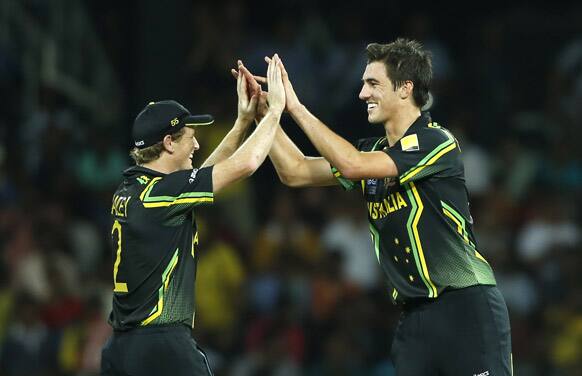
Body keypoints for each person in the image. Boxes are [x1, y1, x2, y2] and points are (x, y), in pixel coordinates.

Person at [238, 39, 512, 375]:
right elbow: (294, 171)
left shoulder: (435, 141)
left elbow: (351, 165)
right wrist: (266, 113)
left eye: (372, 84)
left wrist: (295, 106)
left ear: (405, 88)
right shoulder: (374, 153)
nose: (362, 94)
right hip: (414, 321)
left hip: (466, 307)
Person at [100, 55, 286, 376]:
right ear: (169, 143)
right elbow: (247, 164)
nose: (197, 145)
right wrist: (275, 111)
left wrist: (242, 122)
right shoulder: (162, 193)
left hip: (121, 348)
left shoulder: (133, 190)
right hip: (163, 345)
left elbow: (205, 176)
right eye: (190, 137)